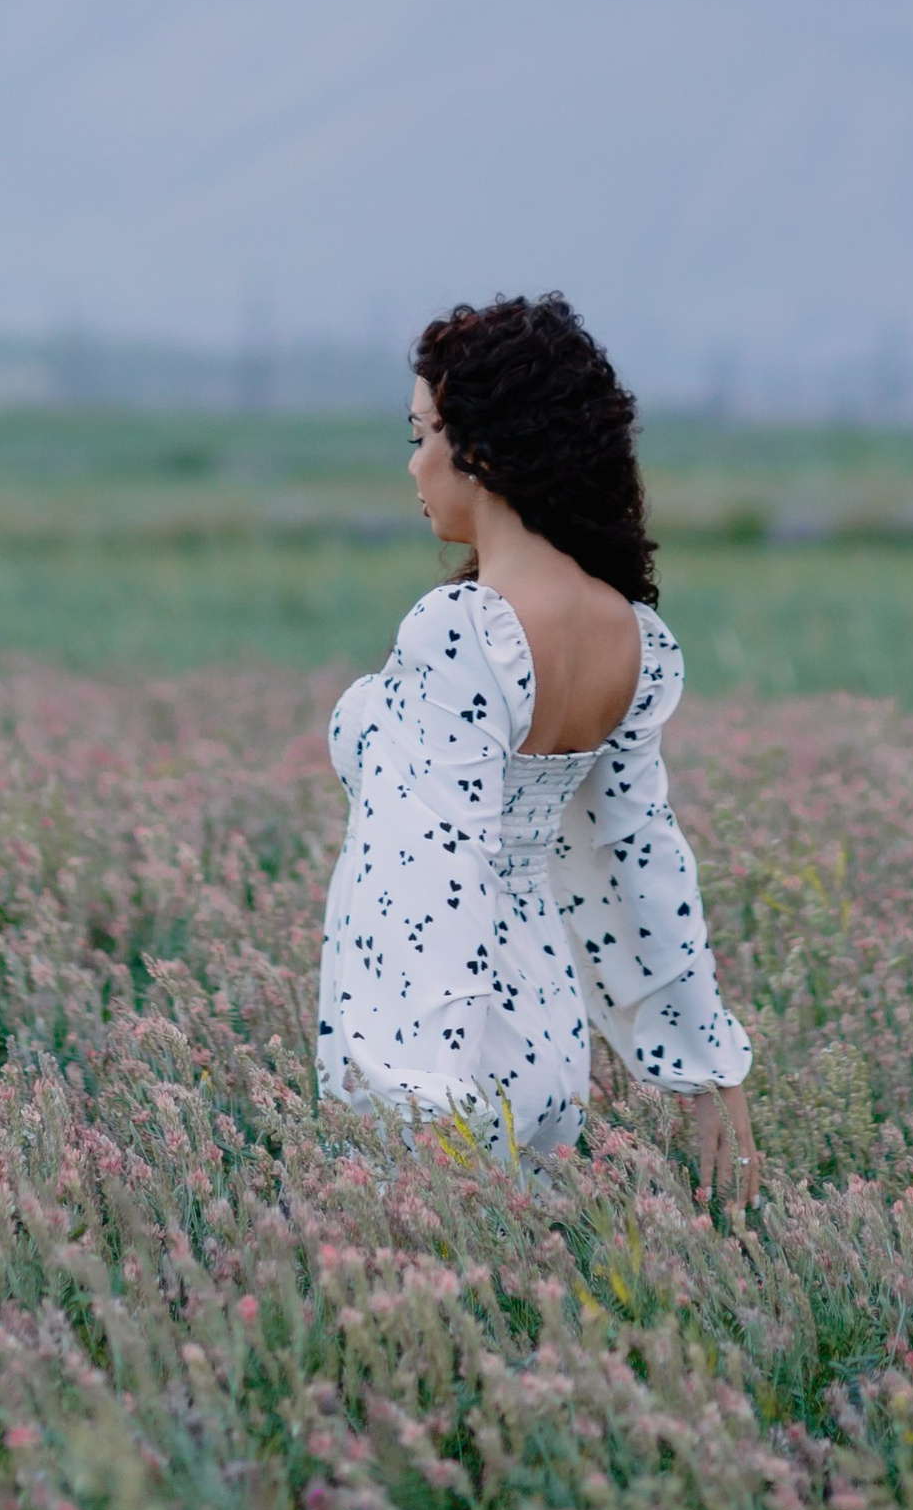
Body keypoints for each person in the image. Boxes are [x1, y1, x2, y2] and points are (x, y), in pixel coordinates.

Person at [317, 292, 760, 1207]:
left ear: (480, 450)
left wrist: (413, 1104)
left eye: (422, 435)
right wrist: (702, 1062)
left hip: (448, 1050)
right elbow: (636, 859)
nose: (415, 466)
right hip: (547, 1021)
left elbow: (429, 877)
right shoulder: (627, 631)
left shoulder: (460, 633)